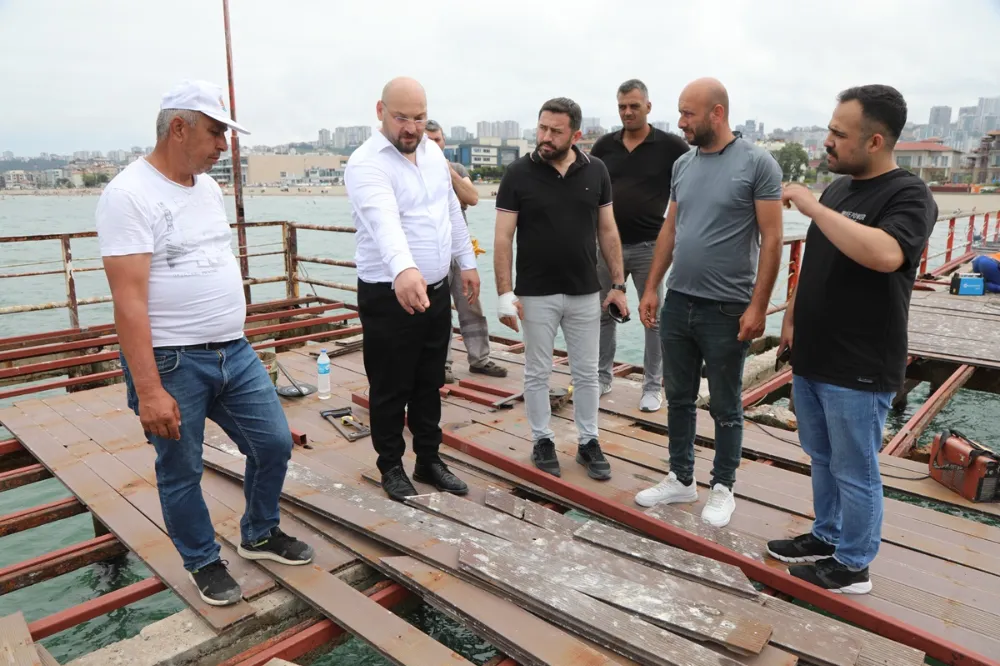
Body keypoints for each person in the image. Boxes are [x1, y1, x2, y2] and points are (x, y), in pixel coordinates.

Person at [95, 80, 314, 607]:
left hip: (233, 349)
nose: (223, 145)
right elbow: (128, 302)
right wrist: (150, 390)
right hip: (172, 361)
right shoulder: (128, 195)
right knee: (181, 468)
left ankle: (259, 532)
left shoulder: (209, 188)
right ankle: (202, 560)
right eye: (216, 133)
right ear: (179, 128)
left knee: (273, 444)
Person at [766, 85, 936, 594]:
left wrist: (812, 206)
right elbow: (817, 262)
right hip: (814, 354)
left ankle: (854, 564)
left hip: (861, 362)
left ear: (875, 141)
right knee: (821, 456)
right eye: (829, 130)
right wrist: (790, 319)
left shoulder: (908, 195)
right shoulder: (839, 190)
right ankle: (827, 535)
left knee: (856, 468)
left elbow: (886, 254)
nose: (828, 141)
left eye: (840, 134)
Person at [633, 78, 784, 528]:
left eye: (688, 113)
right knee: (678, 396)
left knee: (725, 403)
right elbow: (671, 228)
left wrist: (758, 307)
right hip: (680, 300)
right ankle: (681, 477)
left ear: (717, 113)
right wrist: (651, 287)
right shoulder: (683, 164)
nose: (681, 122)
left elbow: (773, 238)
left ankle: (723, 486)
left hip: (727, 307)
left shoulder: (758, 163)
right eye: (680, 112)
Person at [346, 77, 480, 502]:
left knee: (429, 381)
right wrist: (405, 270)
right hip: (389, 294)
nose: (411, 127)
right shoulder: (366, 163)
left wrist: (467, 262)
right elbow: (383, 221)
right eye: (402, 117)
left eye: (419, 118)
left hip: (436, 291)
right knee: (390, 387)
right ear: (380, 110)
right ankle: (391, 465)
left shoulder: (433, 154)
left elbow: (450, 210)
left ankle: (428, 458)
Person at [493, 97, 629, 481]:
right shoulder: (517, 173)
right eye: (542, 128)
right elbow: (502, 238)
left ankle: (589, 441)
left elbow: (608, 230)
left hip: (585, 290)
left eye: (556, 131)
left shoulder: (596, 170)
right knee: (537, 372)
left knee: (587, 373)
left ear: (576, 135)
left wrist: (618, 285)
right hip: (535, 293)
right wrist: (504, 294)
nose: (546, 137)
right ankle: (542, 439)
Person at [590, 79, 690, 412]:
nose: (628, 112)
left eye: (634, 105)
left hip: (651, 246)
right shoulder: (604, 145)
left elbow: (694, 177)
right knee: (604, 313)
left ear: (648, 106)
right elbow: (589, 186)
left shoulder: (671, 146)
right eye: (622, 106)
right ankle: (602, 377)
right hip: (608, 247)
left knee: (652, 316)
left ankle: (651, 386)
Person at [424, 120, 507, 382]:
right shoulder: (415, 170)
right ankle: (442, 364)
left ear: (444, 142)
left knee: (471, 305)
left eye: (437, 139)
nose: (433, 144)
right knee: (438, 311)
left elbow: (471, 197)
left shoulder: (457, 169)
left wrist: (447, 171)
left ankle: (480, 358)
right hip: (431, 252)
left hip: (460, 251)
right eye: (428, 140)